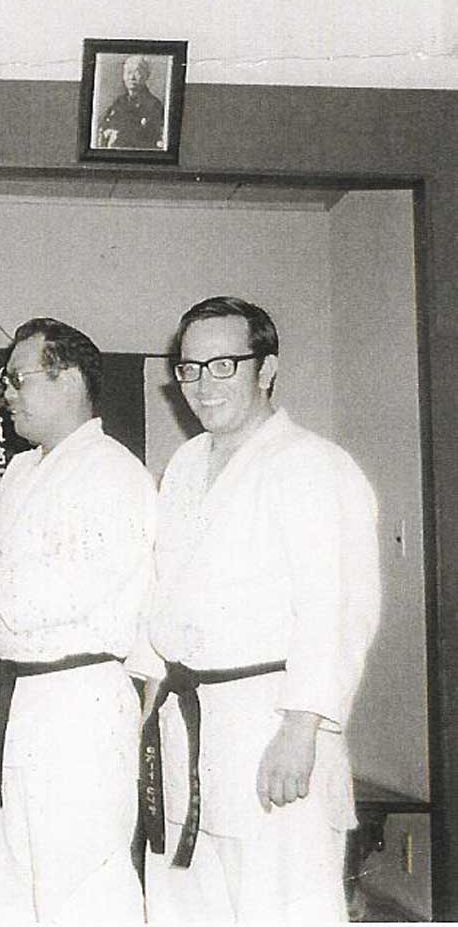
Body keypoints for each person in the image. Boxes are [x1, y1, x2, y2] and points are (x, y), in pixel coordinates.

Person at [129, 296, 380, 922]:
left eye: (224, 366)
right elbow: (162, 588)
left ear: (266, 369)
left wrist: (302, 730)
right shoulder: (186, 465)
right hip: (187, 718)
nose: (203, 385)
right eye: (189, 369)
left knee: (279, 903)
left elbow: (337, 606)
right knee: (186, 903)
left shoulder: (310, 464)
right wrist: (144, 696)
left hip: (269, 721)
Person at [0, 318, 155, 923]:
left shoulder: (113, 472)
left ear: (68, 379)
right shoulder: (22, 473)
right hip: (7, 697)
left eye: (17, 380)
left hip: (76, 704)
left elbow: (72, 583)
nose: (6, 394)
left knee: (77, 891)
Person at [97, 53, 165, 149]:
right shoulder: (118, 102)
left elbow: (154, 138)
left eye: (137, 72)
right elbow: (105, 126)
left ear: (146, 75)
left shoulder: (153, 105)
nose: (131, 77)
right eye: (128, 72)